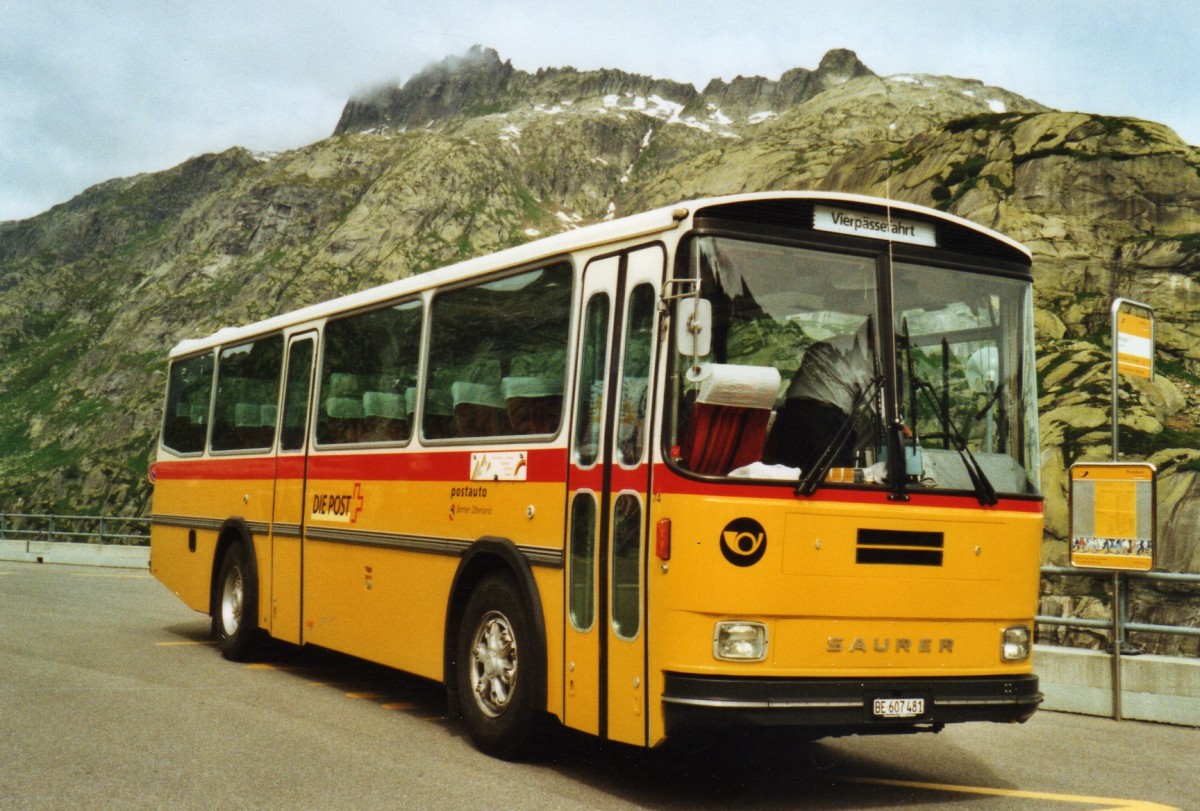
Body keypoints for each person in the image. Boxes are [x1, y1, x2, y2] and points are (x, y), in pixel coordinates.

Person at [765, 320, 875, 473]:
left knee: (789, 473)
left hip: (791, 414)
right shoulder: (861, 353)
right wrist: (899, 425)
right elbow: (873, 395)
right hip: (825, 419)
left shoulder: (836, 343)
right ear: (877, 336)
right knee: (834, 475)